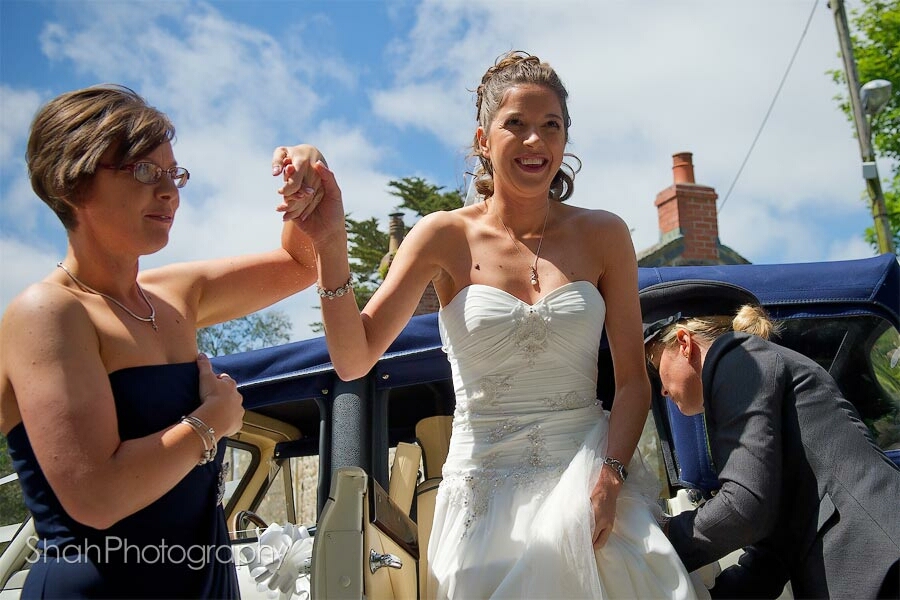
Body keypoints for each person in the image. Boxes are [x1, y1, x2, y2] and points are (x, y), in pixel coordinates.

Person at [275, 51, 701, 598]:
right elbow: (354, 357)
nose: (535, 142)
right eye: (516, 125)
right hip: (484, 494)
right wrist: (329, 242)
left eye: (552, 126)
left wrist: (610, 480)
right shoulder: (441, 236)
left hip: (592, 475)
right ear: (483, 139)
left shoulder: (605, 235)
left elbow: (632, 384)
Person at [0, 85, 322, 598]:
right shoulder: (48, 312)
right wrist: (213, 422)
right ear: (70, 184)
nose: (169, 191)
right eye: (144, 172)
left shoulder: (175, 294)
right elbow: (97, 496)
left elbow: (306, 263)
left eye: (175, 174)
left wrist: (308, 185)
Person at [640, 279, 900, 599]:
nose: (662, 390)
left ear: (684, 342)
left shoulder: (734, 356)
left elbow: (745, 507)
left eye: (656, 367)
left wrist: (650, 546)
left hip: (883, 568)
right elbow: (770, 554)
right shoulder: (745, 373)